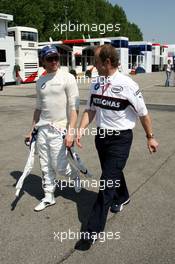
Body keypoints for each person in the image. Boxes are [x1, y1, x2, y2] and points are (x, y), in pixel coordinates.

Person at [75, 44, 159, 250]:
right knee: (111, 172)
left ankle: (91, 232)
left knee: (106, 183)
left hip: (120, 139)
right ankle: (123, 197)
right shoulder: (96, 83)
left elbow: (143, 113)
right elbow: (90, 110)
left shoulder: (128, 84)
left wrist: (150, 137)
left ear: (107, 62)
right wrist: (80, 129)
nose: (92, 65)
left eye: (96, 61)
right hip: (101, 137)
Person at [25, 45, 80, 211]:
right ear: (43, 61)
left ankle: (75, 175)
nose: (55, 61)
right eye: (50, 58)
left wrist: (71, 132)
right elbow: (38, 108)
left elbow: (74, 107)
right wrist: (31, 130)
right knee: (45, 165)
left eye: (56, 57)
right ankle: (49, 196)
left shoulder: (67, 78)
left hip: (60, 128)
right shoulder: (40, 81)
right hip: (43, 129)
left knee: (59, 165)